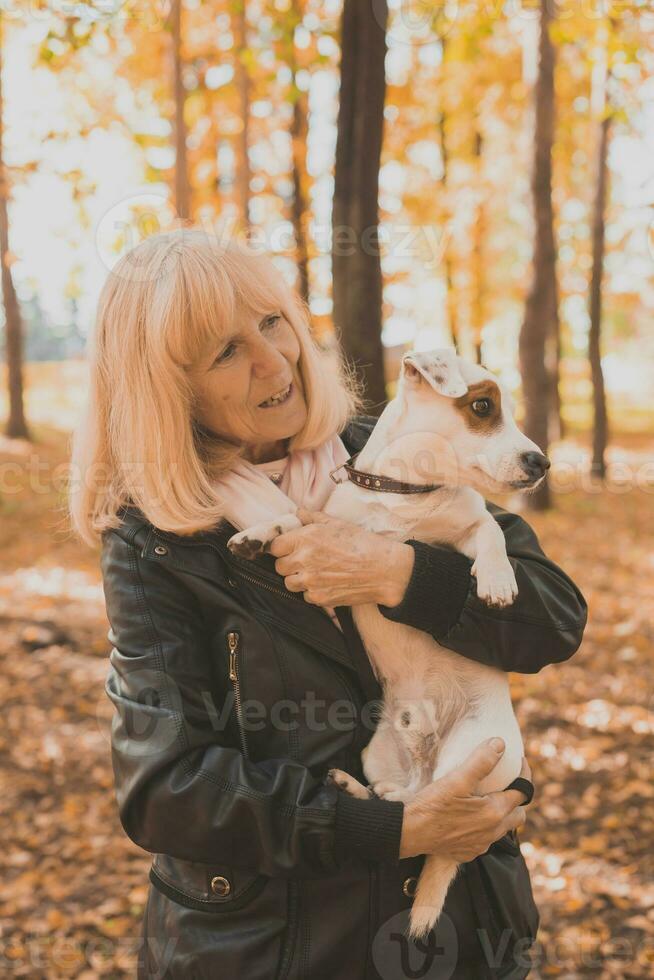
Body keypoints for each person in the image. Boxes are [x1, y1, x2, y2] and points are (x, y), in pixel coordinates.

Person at [69, 228, 587, 980]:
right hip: (278, 951)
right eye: (224, 352)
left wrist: (405, 575)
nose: (273, 361)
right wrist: (390, 826)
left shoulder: (395, 452)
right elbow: (166, 792)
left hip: (465, 936)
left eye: (273, 321)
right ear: (165, 390)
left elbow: (553, 618)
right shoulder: (155, 541)